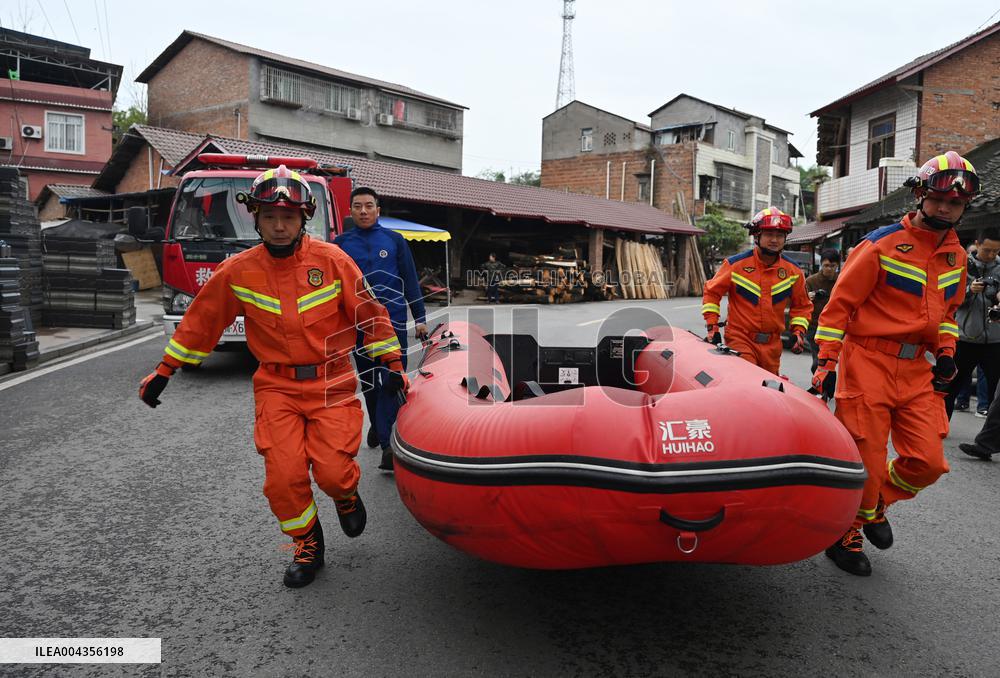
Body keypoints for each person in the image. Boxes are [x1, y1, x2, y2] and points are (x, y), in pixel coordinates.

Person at [138, 166, 408, 589]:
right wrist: (165, 370)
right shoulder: (237, 271)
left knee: (334, 472)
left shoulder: (333, 261)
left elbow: (369, 316)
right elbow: (201, 321)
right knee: (282, 477)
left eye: (288, 218)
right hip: (277, 386)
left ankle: (345, 495)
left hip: (331, 383)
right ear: (256, 219)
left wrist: (392, 366)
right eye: (269, 217)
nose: (279, 227)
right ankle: (307, 542)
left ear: (304, 219)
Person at [814, 150, 977, 576]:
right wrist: (826, 362)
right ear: (920, 196)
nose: (946, 208)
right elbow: (838, 308)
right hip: (866, 360)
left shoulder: (955, 256)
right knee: (864, 458)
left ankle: (876, 503)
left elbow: (947, 316)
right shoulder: (881, 244)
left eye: (956, 203)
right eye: (939, 199)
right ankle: (845, 532)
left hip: (917, 370)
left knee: (928, 462)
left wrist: (945, 352)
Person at [335, 187, 427, 471]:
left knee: (391, 378)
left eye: (369, 206)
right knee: (369, 382)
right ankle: (379, 424)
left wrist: (420, 317)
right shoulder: (339, 244)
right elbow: (333, 289)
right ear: (350, 211)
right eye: (358, 206)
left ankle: (387, 444)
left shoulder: (395, 241)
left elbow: (410, 280)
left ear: (378, 210)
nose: (363, 211)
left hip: (394, 321)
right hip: (359, 325)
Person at [701, 206, 812, 375]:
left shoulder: (793, 271)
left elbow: (802, 306)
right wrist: (712, 326)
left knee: (767, 390)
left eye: (780, 235)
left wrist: (798, 331)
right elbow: (711, 292)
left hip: (773, 346)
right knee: (747, 382)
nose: (774, 240)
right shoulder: (735, 265)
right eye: (769, 234)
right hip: (740, 339)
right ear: (757, 236)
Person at [944, 229, 1000, 419]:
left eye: (996, 251)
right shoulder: (962, 265)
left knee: (996, 391)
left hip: (994, 338)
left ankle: (989, 439)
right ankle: (940, 427)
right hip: (964, 337)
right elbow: (947, 298)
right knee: (951, 386)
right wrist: (969, 290)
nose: (991, 255)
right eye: (987, 251)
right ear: (977, 244)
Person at [805, 249, 841, 373]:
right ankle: (819, 385)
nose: (829, 269)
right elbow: (800, 303)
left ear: (837, 266)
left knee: (828, 361)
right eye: (826, 265)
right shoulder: (811, 281)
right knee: (818, 361)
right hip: (814, 327)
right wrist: (808, 297)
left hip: (834, 328)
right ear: (821, 265)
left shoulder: (842, 280)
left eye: (833, 266)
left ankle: (822, 386)